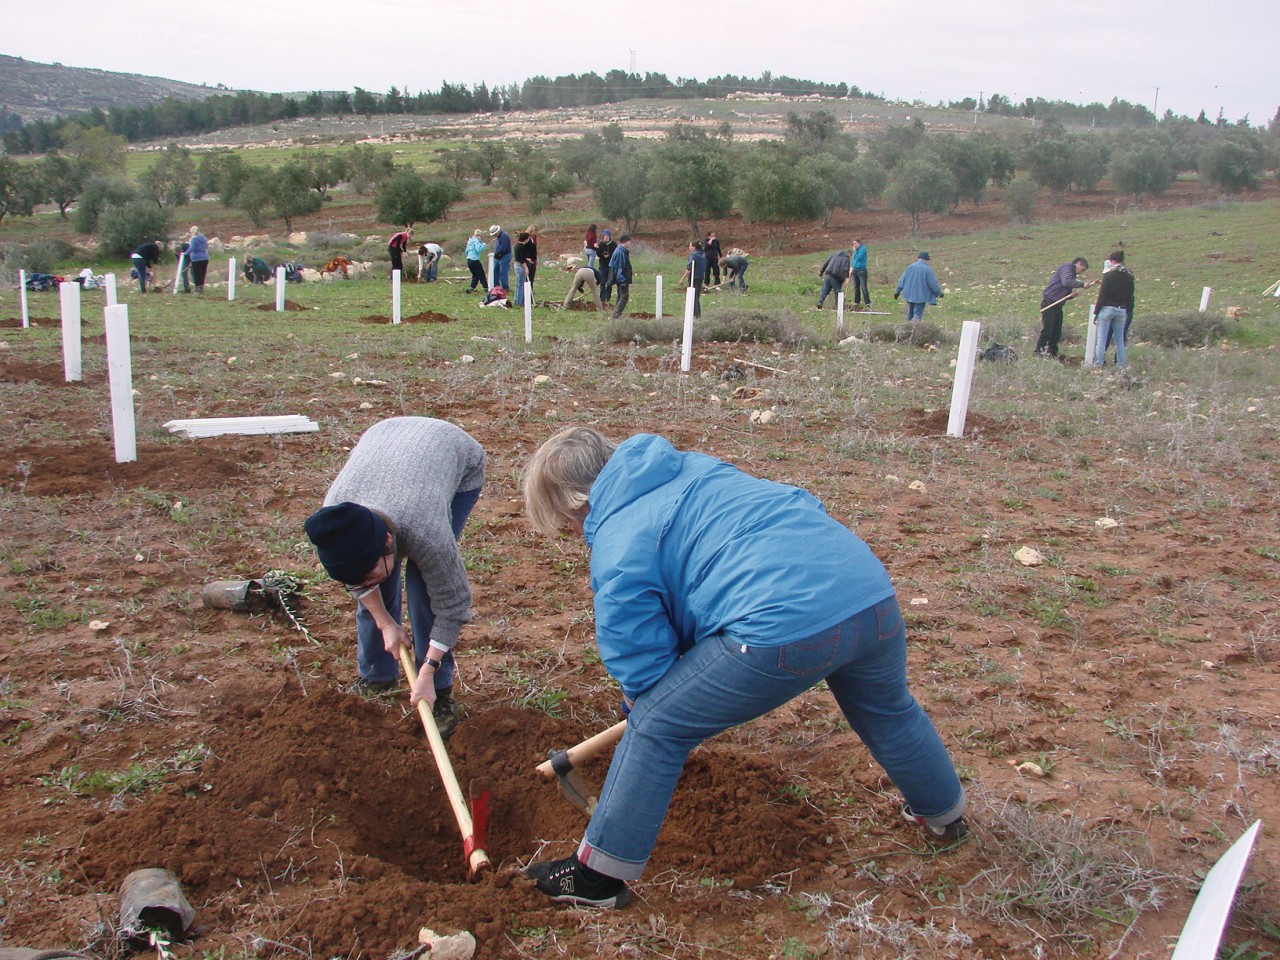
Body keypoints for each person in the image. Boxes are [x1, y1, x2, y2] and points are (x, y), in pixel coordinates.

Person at [520, 428, 968, 909]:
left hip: (780, 629)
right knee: (887, 708)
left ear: (575, 501)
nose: (571, 531)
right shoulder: (696, 468)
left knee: (656, 725)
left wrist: (641, 702)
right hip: (867, 593)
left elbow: (639, 656)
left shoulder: (617, 537)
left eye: (564, 520)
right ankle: (944, 814)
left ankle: (595, 878)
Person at [303, 417, 486, 739]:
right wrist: (386, 623)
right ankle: (376, 675)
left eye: (366, 572)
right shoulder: (335, 521)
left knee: (425, 586)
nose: (362, 582)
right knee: (376, 586)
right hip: (384, 439)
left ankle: (438, 691)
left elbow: (452, 605)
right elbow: (360, 580)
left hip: (452, 454)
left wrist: (428, 669)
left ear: (388, 543)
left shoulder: (426, 532)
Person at [1035, 257, 1092, 357]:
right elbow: (1066, 282)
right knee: (1047, 329)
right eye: (1082, 269)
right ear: (1078, 263)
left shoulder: (1072, 276)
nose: (1081, 273)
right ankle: (1039, 352)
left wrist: (1071, 296)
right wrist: (1082, 284)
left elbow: (1065, 291)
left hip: (1058, 305)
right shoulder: (1067, 267)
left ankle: (1052, 353)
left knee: (1056, 331)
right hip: (1049, 302)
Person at [1093, 250, 1135, 369]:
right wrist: (1128, 310)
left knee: (1102, 339)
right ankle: (1121, 364)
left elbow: (1102, 295)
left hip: (1107, 309)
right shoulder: (1129, 276)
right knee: (1120, 340)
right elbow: (1130, 296)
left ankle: (1098, 363)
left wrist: (1096, 312)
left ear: (1112, 261)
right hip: (1122, 309)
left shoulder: (1108, 275)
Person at [893, 251, 943, 322]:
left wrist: (897, 292)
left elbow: (902, 280)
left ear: (918, 258)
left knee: (910, 313)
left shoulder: (910, 267)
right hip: (920, 296)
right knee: (917, 314)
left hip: (909, 294)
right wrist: (939, 293)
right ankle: (914, 328)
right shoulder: (927, 269)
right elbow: (932, 284)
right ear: (925, 260)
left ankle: (908, 328)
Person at [678, 240, 707, 319]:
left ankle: (695, 315)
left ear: (694, 247)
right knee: (697, 297)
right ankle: (698, 315)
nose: (689, 247)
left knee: (693, 297)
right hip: (700, 277)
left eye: (690, 246)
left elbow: (689, 268)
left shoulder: (693, 255)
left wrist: (682, 279)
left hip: (693, 278)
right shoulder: (703, 255)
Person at [608, 235, 633, 320]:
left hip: (621, 277)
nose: (630, 243)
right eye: (629, 241)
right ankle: (615, 315)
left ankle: (615, 315)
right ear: (625, 241)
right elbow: (620, 267)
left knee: (620, 295)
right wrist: (622, 280)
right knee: (624, 296)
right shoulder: (620, 252)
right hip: (622, 278)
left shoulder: (621, 250)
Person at [513, 232, 535, 307]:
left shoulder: (516, 246)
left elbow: (519, 257)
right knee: (521, 284)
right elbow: (522, 260)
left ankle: (516, 300)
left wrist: (527, 259)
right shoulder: (522, 247)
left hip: (516, 264)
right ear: (525, 239)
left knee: (518, 283)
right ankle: (520, 302)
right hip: (520, 266)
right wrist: (526, 268)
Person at [595, 229, 617, 301]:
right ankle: (602, 297)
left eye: (607, 236)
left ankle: (608, 296)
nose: (606, 237)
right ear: (603, 237)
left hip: (611, 266)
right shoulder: (601, 244)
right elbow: (598, 254)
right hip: (602, 265)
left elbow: (615, 254)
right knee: (602, 282)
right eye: (605, 236)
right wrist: (599, 251)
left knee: (609, 282)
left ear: (609, 236)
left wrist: (609, 255)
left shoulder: (614, 244)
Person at [187, 226, 210, 293]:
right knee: (202, 273)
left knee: (196, 274)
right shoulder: (204, 238)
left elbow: (191, 248)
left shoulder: (194, 239)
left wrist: (185, 253)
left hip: (196, 259)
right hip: (205, 258)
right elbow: (206, 247)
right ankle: (201, 287)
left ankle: (198, 288)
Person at [490, 225, 512, 292]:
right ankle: (496, 287)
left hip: (505, 255)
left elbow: (503, 248)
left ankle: (505, 288)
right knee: (495, 271)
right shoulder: (498, 237)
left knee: (503, 272)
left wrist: (498, 253)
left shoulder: (504, 235)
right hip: (498, 256)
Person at [850, 239, 870, 309]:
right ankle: (857, 302)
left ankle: (867, 303)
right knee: (856, 287)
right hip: (855, 270)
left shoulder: (862, 249)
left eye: (855, 243)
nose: (854, 245)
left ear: (859, 243)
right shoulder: (855, 251)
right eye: (853, 244)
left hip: (861, 270)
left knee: (863, 287)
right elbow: (854, 260)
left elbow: (859, 258)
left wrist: (855, 251)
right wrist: (852, 268)